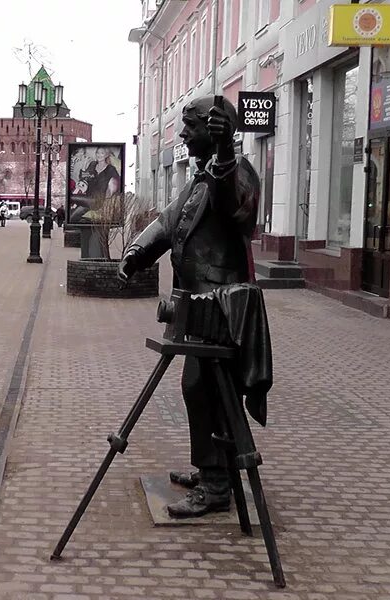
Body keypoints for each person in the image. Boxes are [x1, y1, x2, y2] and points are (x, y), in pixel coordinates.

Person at [117, 95, 262, 519]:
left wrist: (224, 152)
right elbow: (167, 222)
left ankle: (218, 486)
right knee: (200, 389)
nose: (181, 135)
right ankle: (213, 470)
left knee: (210, 389)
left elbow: (233, 209)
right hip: (197, 307)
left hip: (222, 308)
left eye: (189, 127)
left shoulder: (235, 175)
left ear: (214, 131)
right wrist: (136, 252)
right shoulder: (197, 179)